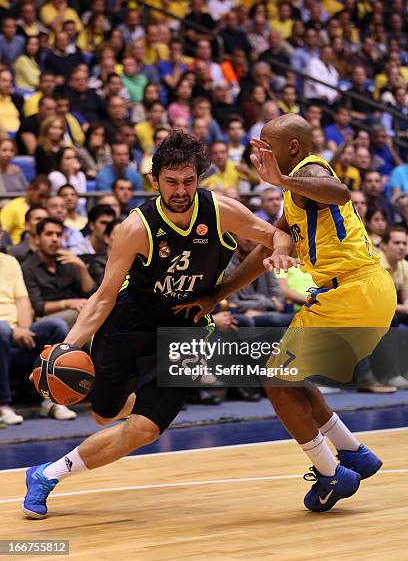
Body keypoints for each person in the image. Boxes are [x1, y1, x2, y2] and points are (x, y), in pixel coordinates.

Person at [22, 130, 295, 519]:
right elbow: (103, 296)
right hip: (131, 323)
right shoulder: (135, 228)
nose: (181, 190)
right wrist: (68, 347)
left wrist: (281, 251)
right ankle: (137, 402)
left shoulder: (221, 210)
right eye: (171, 182)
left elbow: (276, 235)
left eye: (188, 180)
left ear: (198, 178)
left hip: (187, 331)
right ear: (155, 180)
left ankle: (45, 475)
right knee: (103, 414)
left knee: (145, 430)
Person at [176, 114, 397, 512]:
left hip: (351, 290)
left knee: (276, 380)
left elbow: (340, 192)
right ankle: (353, 452)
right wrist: (219, 294)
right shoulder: (296, 192)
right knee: (290, 377)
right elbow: (266, 246)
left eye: (266, 143)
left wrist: (282, 181)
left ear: (292, 147)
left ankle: (331, 475)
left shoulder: (308, 172)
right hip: (359, 291)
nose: (259, 150)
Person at [0, 251, 71, 425]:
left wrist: (23, 329)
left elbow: (23, 300)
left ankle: (52, 401)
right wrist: (12, 329)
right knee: (1, 330)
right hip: (4, 331)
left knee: (57, 327)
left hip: (17, 332)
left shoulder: (10, 261)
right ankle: (3, 405)